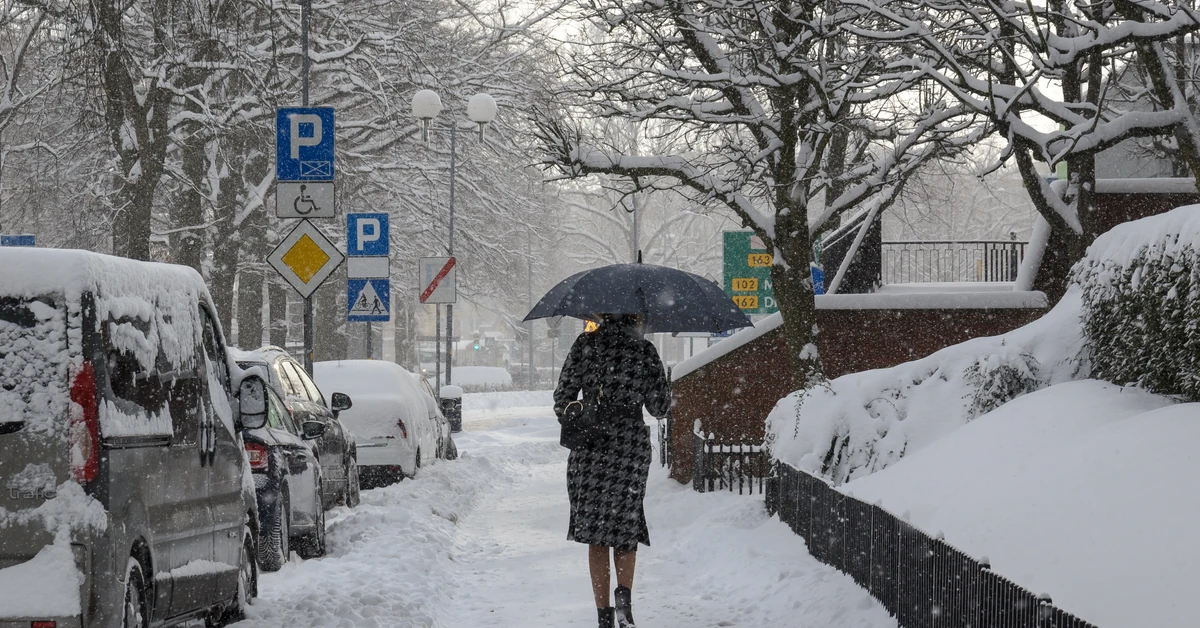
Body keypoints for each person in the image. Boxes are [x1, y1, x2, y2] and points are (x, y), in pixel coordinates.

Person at [554, 313, 670, 628]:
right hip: (630, 449)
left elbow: (561, 399)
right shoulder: (644, 351)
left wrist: (586, 410)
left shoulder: (585, 345)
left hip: (591, 448)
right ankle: (624, 605)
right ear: (637, 316)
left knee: (596, 535)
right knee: (625, 530)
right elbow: (660, 408)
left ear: (602, 313)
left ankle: (603, 615)